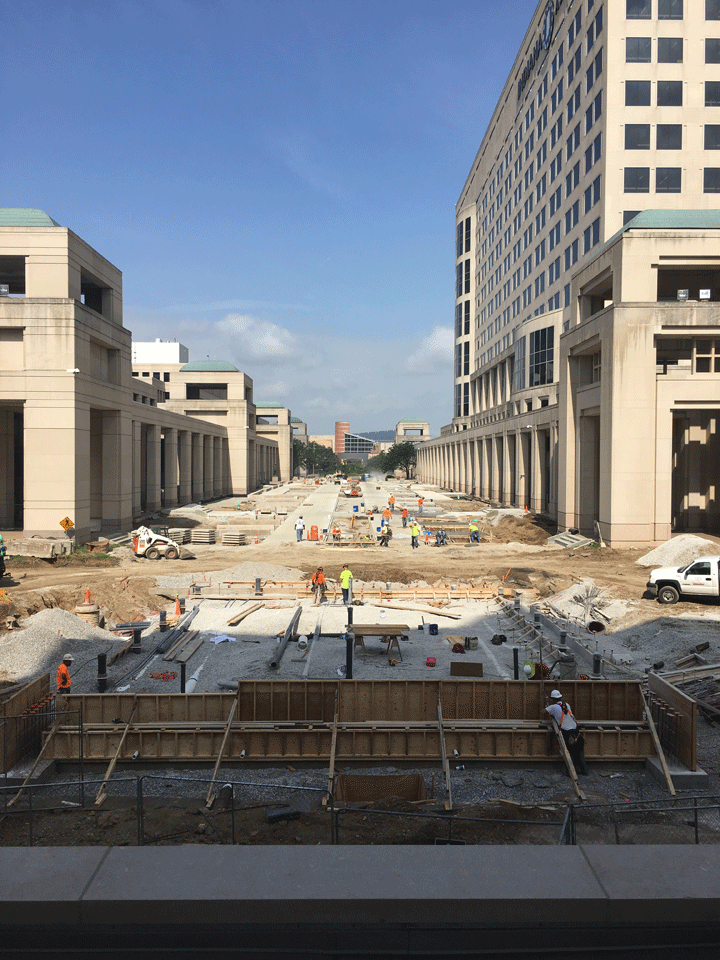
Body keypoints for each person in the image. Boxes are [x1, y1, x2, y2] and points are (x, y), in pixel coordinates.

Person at [545, 689, 588, 775]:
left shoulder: (553, 707)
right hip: (576, 732)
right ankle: (584, 770)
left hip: (567, 733)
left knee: (569, 752)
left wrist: (547, 707)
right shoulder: (567, 705)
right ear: (560, 697)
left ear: (553, 699)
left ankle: (570, 772)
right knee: (579, 752)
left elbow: (544, 711)